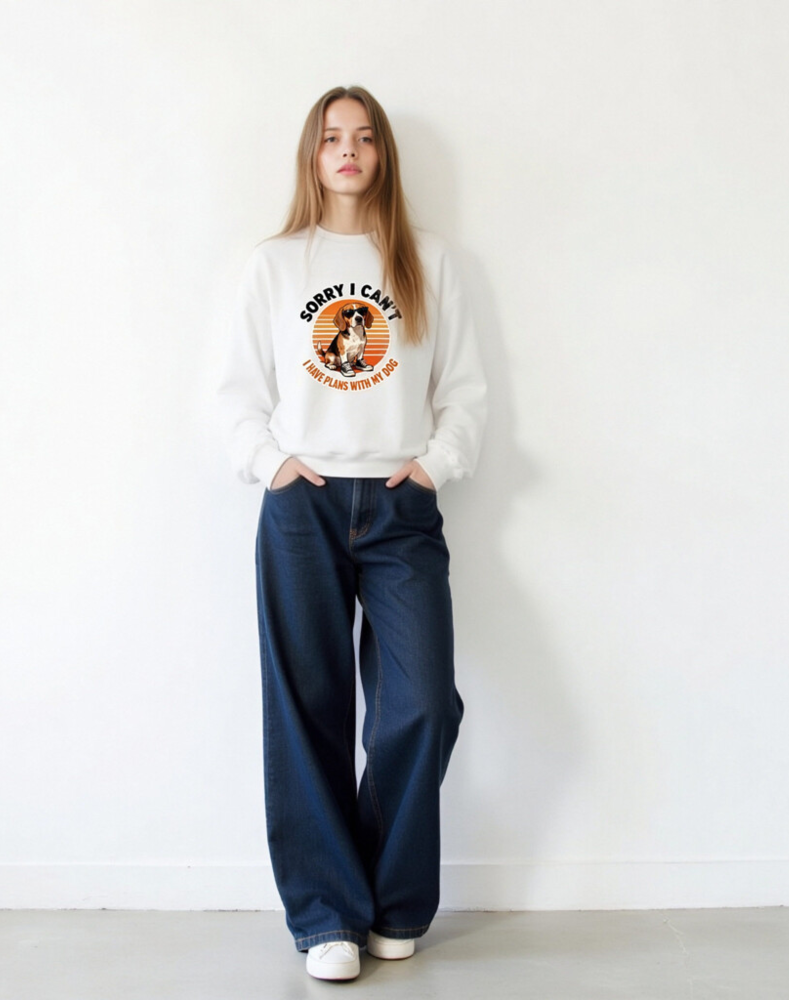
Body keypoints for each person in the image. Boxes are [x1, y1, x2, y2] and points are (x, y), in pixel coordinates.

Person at [217, 84, 487, 982]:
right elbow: (236, 392)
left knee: (422, 705)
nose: (348, 150)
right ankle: (327, 914)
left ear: (382, 155)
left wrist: (436, 464)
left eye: (364, 137)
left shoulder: (426, 260)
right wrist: (269, 464)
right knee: (309, 711)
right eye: (333, 137)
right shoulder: (275, 264)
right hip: (304, 504)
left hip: (402, 506)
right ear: (312, 153)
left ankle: (390, 897)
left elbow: (464, 390)